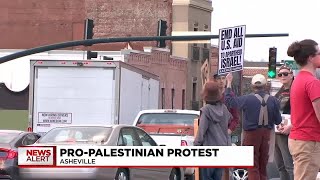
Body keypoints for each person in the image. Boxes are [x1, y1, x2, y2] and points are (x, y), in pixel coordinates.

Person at [225, 73, 282, 180]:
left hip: (251, 135)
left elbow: (230, 102)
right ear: (265, 86)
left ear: (252, 86)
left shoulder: (247, 99)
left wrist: (229, 83)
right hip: (266, 135)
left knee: (252, 165)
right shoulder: (274, 100)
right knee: (263, 165)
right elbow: (278, 120)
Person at [286, 39, 320, 180]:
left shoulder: (299, 80)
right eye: (319, 53)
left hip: (299, 139)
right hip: (308, 142)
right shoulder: (312, 82)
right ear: (311, 58)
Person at [194, 81, 233, 180]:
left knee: (207, 177)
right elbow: (229, 122)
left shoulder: (206, 110)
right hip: (222, 149)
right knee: (217, 177)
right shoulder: (224, 109)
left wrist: (196, 145)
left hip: (209, 151)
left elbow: (201, 131)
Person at [212, 73, 240, 180]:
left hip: (225, 134)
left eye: (223, 78)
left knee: (227, 164)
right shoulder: (211, 95)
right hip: (212, 133)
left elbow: (236, 117)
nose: (220, 81)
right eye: (218, 78)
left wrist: (229, 130)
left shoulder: (230, 96)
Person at [274, 65, 294, 180]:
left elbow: (302, 112)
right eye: (280, 74)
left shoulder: (296, 89)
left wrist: (291, 126)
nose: (283, 76)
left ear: (291, 75)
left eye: (285, 74)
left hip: (289, 132)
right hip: (277, 130)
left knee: (289, 165)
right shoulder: (280, 92)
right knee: (280, 165)